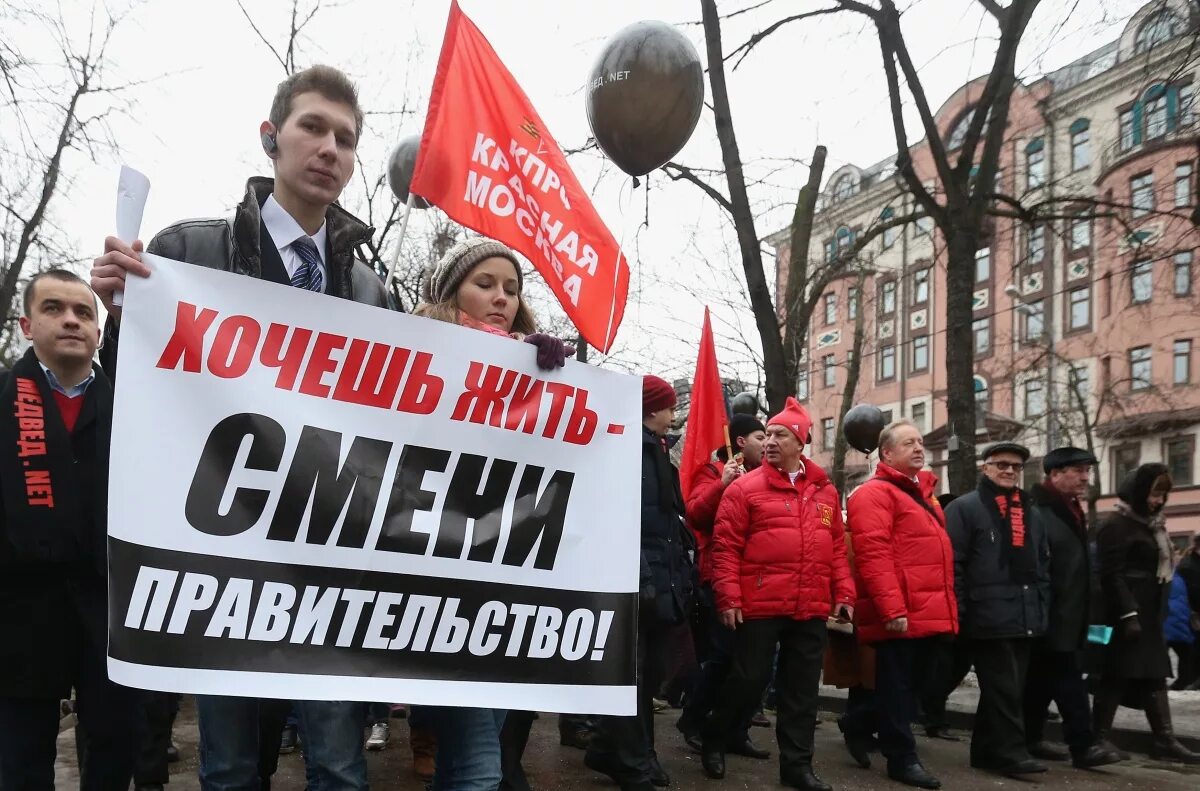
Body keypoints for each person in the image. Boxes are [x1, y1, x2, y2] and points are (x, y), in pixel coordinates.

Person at [90, 65, 388, 791]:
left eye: (345, 139)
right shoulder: (186, 254)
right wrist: (124, 319)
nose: (329, 148)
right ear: (271, 139)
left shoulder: (371, 290)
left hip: (326, 566)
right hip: (218, 556)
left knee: (341, 768)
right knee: (226, 767)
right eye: (312, 127)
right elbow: (135, 399)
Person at [411, 235, 571, 791]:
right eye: (485, 284)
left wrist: (557, 388)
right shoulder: (419, 355)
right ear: (450, 292)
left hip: (511, 591)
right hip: (443, 585)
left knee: (470, 758)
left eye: (512, 288)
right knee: (481, 764)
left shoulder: (538, 371)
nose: (502, 297)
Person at [0, 270, 141, 789]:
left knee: (114, 746)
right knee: (20, 755)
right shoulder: (4, 399)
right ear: (26, 325)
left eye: (84, 312)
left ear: (99, 334)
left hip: (108, 606)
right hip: (20, 607)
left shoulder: (133, 403)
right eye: (55, 308)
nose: (70, 320)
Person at [700, 398, 854, 791]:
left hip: (811, 604)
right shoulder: (744, 490)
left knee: (801, 693)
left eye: (780, 434)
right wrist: (729, 598)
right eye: (766, 434)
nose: (769, 441)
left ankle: (797, 767)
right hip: (759, 604)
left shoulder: (824, 492)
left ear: (800, 442)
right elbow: (726, 547)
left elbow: (836, 547)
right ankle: (715, 736)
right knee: (749, 682)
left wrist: (844, 593)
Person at [585, 375, 693, 791]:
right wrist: (645, 575)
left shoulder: (656, 451)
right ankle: (633, 762)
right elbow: (623, 519)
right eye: (668, 407)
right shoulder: (629, 448)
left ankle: (620, 751)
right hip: (633, 579)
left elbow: (665, 522)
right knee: (629, 674)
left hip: (653, 577)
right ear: (650, 409)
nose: (673, 415)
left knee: (643, 674)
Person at [845, 421, 956, 790]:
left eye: (921, 442)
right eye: (909, 443)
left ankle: (859, 722)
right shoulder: (873, 494)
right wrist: (893, 610)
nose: (920, 448)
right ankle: (901, 758)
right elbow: (873, 555)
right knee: (898, 687)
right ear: (887, 453)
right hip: (901, 611)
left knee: (915, 685)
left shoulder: (925, 496)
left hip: (927, 609)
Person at [944, 441, 1050, 778]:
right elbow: (953, 565)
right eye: (1001, 464)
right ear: (985, 467)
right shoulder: (965, 508)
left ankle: (986, 752)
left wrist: (1041, 607)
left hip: (1024, 613)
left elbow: (1042, 565)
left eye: (1015, 467)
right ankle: (1011, 754)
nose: (1008, 471)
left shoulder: (1030, 512)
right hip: (984, 614)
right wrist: (959, 610)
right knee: (1004, 688)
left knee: (1007, 688)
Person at [676, 413, 770, 761]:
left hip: (754, 580)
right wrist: (723, 485)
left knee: (754, 664)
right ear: (740, 442)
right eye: (761, 436)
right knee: (723, 658)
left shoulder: (763, 478)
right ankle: (694, 720)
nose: (768, 443)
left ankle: (736, 729)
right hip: (718, 578)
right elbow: (695, 514)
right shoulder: (711, 473)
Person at [1091, 464, 1200, 764]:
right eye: (1154, 493)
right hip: (1125, 616)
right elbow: (1111, 575)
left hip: (1149, 616)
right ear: (1138, 492)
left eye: (1164, 494)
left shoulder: (1152, 525)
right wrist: (1128, 614)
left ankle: (1164, 739)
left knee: (1154, 675)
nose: (1159, 500)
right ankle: (1096, 738)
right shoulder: (1116, 524)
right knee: (1115, 675)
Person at [1023, 447, 1124, 769]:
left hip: (1069, 613)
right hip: (1051, 614)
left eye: (1087, 471)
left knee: (1039, 682)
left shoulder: (1070, 508)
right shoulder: (1039, 512)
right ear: (1055, 474)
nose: (1085, 477)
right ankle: (1084, 745)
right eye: (1078, 471)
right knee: (1070, 683)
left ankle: (1030, 739)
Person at [1175, 533, 1200, 689]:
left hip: (1190, 614)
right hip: (1192, 614)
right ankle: (1191, 680)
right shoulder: (1189, 565)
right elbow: (1194, 592)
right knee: (1193, 649)